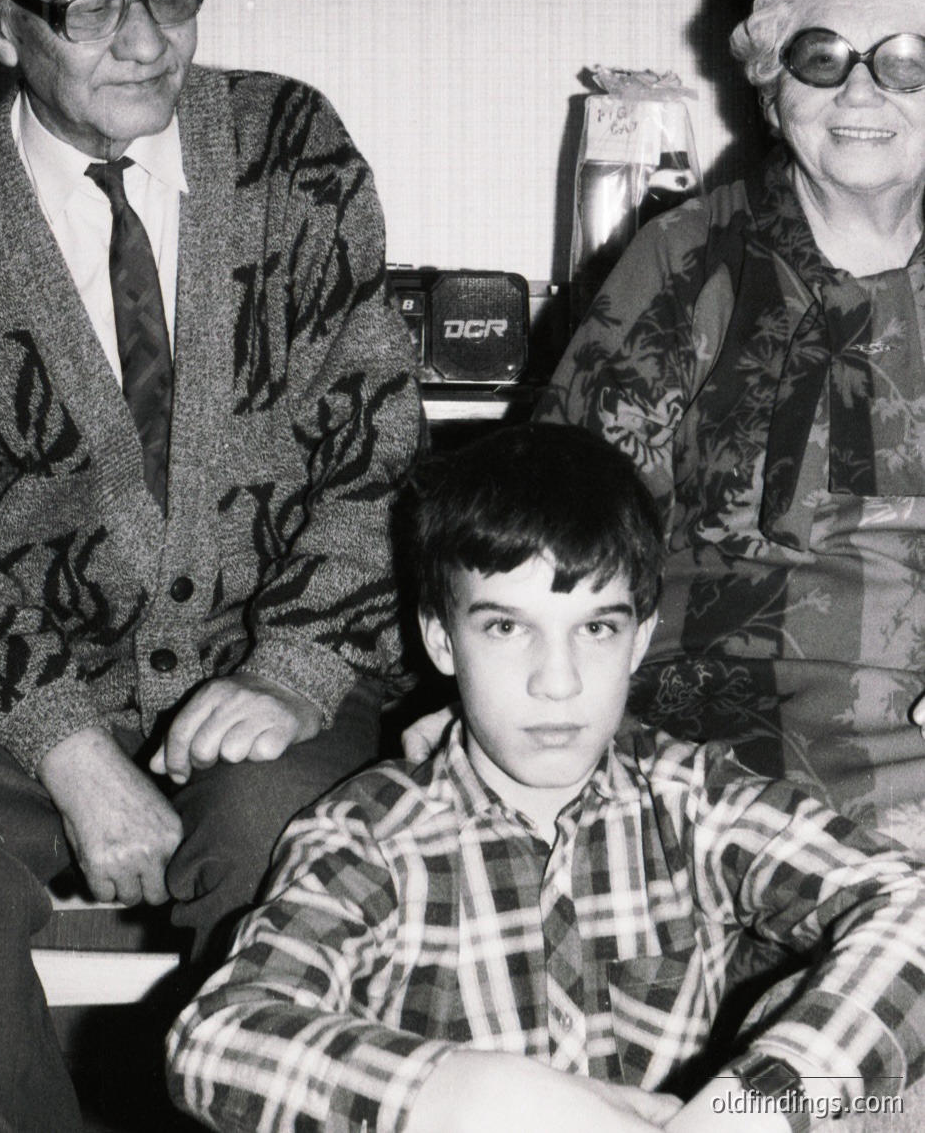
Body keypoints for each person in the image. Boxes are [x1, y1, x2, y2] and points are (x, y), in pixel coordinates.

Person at [0, 0, 420, 1133]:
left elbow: (374, 461)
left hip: (271, 667)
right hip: (25, 684)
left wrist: (292, 673)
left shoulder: (290, 152)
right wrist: (70, 751)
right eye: (91, 2)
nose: (146, 37)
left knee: (284, 820)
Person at [167, 424, 925, 1133]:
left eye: (596, 628)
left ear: (640, 640)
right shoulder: (366, 836)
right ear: (440, 637)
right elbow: (214, 1039)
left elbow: (909, 903)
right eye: (505, 627)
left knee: (887, 1082)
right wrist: (474, 1092)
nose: (556, 683)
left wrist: (750, 1105)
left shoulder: (693, 800)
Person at [538, 0, 925, 849]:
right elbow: (558, 526)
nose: (863, 93)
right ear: (770, 84)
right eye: (821, 57)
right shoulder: (685, 261)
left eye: (909, 61)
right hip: (723, 750)